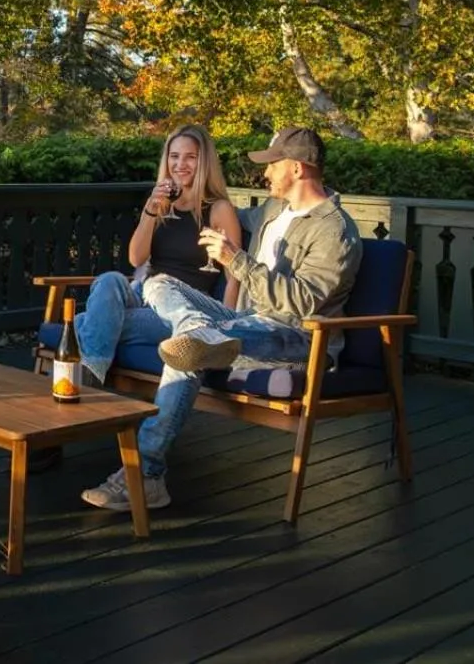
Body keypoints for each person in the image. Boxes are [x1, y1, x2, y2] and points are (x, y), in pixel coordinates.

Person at [81, 126, 362, 513]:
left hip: (296, 334)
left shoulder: (335, 230)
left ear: (296, 168)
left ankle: (146, 476)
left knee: (191, 350)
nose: (265, 174)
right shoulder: (274, 210)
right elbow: (210, 209)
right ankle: (196, 333)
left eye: (272, 165)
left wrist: (236, 260)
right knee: (159, 286)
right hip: (239, 319)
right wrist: (165, 198)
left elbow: (303, 301)